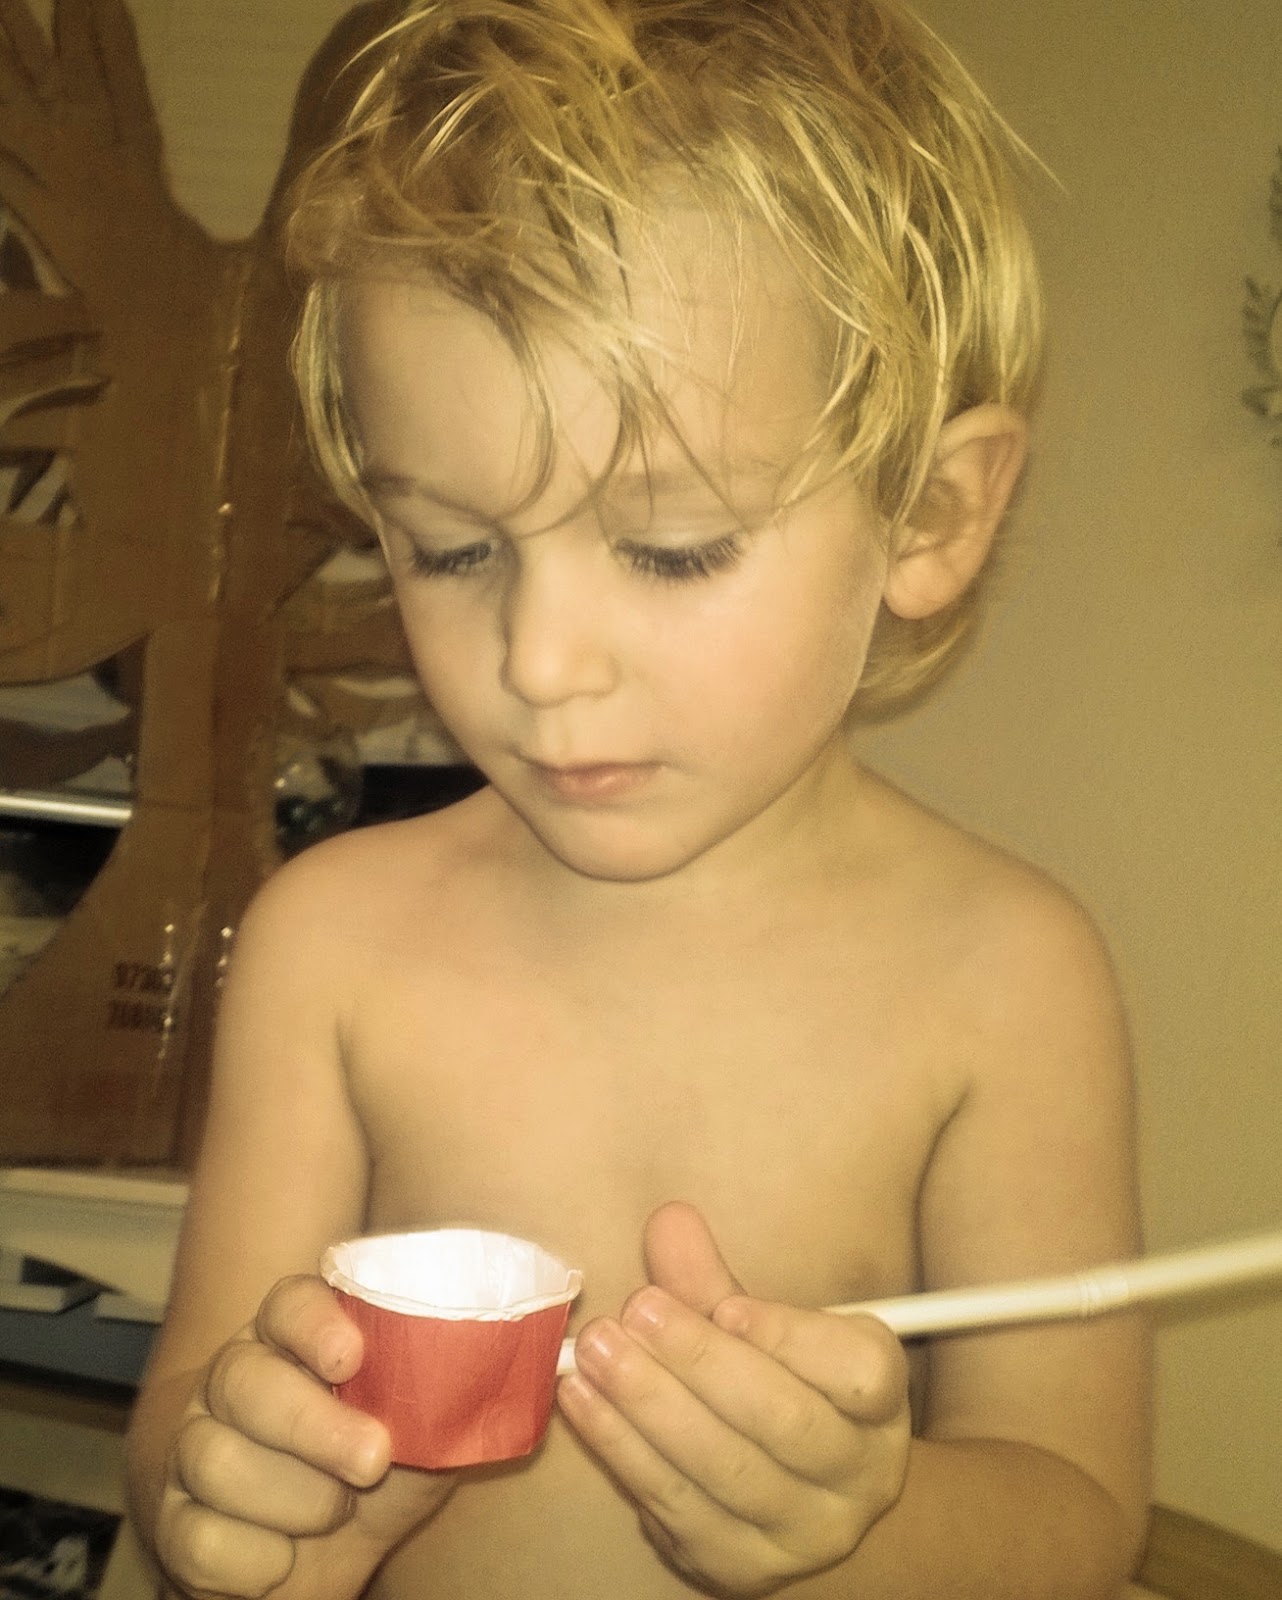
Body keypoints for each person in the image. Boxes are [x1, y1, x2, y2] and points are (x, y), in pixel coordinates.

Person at [126, 0, 1152, 1595]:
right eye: (451, 548)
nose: (537, 663)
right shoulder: (330, 941)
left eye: (671, 548)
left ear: (930, 515)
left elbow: (1076, 1513)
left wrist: (855, 1530)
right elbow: (190, 1423)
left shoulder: (1005, 977)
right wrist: (242, 1503)